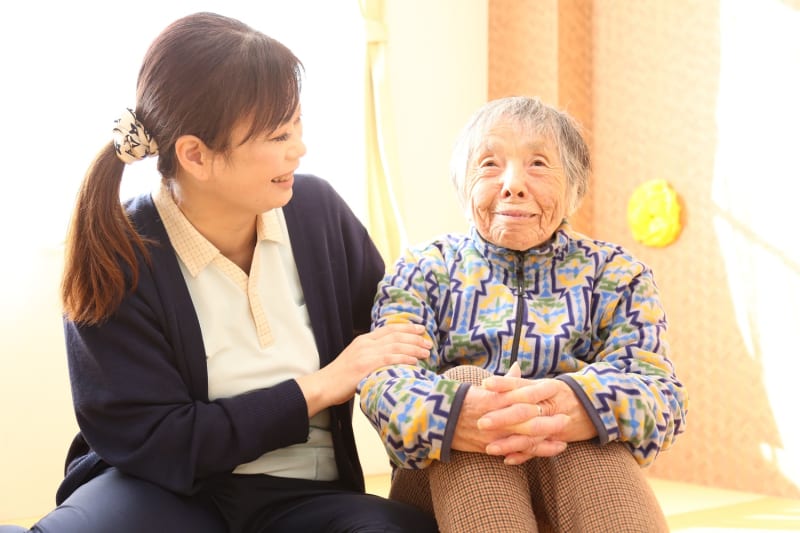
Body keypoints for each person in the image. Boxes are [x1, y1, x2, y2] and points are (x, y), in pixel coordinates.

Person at [0, 12, 439, 533]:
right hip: (160, 490)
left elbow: (395, 338)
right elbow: (161, 441)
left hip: (303, 495)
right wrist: (319, 387)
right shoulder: (115, 254)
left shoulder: (318, 212)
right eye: (278, 135)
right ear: (196, 156)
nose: (298, 149)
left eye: (296, 126)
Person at [357, 96, 689, 532]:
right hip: (440, 490)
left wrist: (570, 403)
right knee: (467, 384)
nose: (512, 184)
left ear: (574, 184)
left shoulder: (617, 274)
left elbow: (662, 395)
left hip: (575, 484)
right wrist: (464, 414)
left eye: (537, 163)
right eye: (490, 164)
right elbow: (383, 383)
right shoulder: (423, 270)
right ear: (464, 184)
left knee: (580, 404)